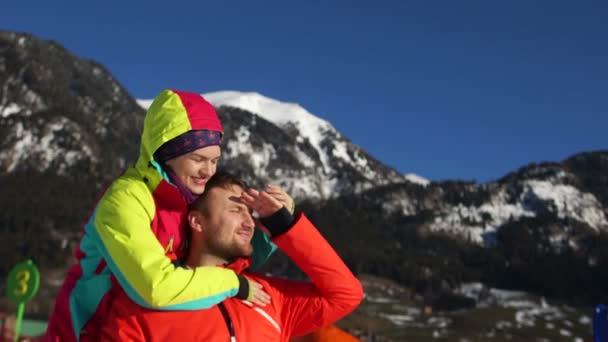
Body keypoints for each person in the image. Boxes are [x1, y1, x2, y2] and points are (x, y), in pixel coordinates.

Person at [45, 89, 291, 341]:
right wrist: (233, 284)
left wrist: (276, 223)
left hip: (136, 328)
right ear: (167, 153)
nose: (208, 171)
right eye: (198, 159)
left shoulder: (186, 200)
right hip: (85, 332)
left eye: (214, 160)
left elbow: (221, 251)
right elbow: (154, 287)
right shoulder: (126, 199)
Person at [100, 171, 364, 341]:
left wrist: (285, 226)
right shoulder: (142, 306)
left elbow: (346, 294)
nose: (249, 222)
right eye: (236, 210)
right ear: (197, 222)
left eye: (251, 213)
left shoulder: (269, 297)